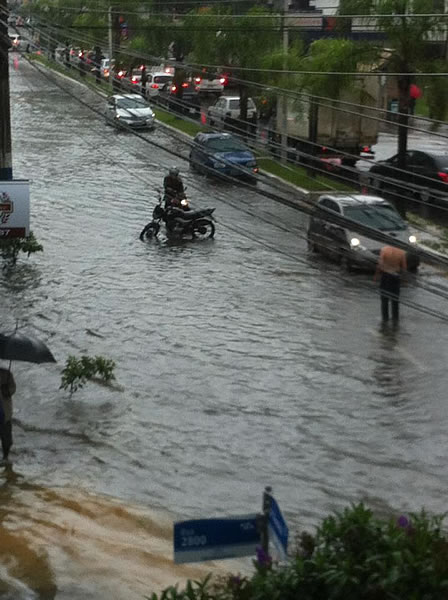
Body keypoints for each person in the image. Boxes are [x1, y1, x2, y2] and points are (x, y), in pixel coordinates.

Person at [374, 245, 407, 322]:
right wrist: (404, 279)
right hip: (396, 277)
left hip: (386, 276)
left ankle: (385, 319)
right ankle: (395, 319)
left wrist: (376, 276)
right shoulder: (401, 252)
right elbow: (404, 267)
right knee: (395, 300)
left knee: (384, 300)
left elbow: (380, 264)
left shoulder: (384, 250)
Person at [0, 368, 16, 462]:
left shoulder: (7, 374)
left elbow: (13, 387)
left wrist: (8, 391)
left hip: (4, 410)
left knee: (6, 438)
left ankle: (5, 457)